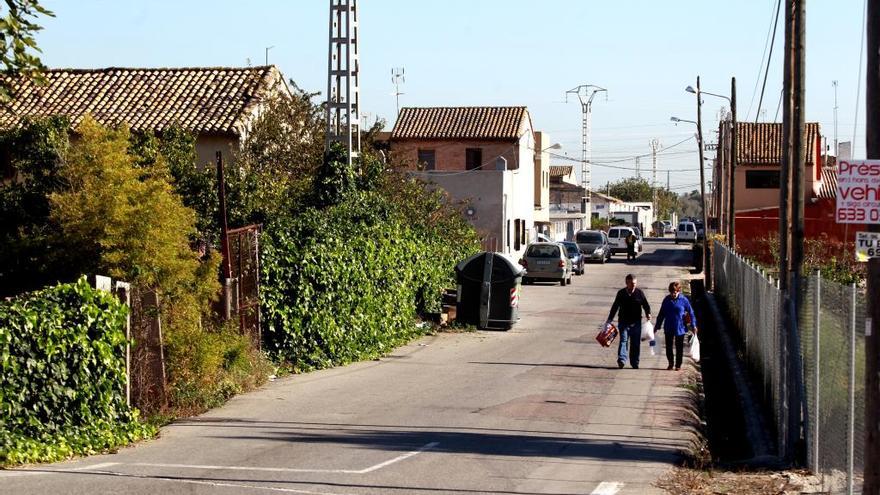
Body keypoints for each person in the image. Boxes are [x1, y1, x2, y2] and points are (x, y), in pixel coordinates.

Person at [606, 274, 651, 369]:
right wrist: (609, 319)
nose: (634, 285)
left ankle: (635, 362)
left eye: (635, 283)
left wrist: (648, 313)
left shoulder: (640, 293)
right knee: (623, 340)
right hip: (623, 322)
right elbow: (615, 307)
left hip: (636, 323)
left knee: (635, 343)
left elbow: (645, 305)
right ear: (627, 283)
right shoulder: (621, 293)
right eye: (632, 283)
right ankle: (622, 360)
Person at [655, 281, 698, 371]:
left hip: (680, 328)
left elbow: (691, 313)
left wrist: (693, 325)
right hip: (668, 327)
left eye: (675, 292)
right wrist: (657, 326)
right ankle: (671, 362)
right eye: (671, 292)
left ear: (679, 291)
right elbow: (661, 314)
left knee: (679, 348)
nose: (673, 294)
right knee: (669, 347)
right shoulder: (666, 300)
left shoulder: (683, 300)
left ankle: (678, 364)